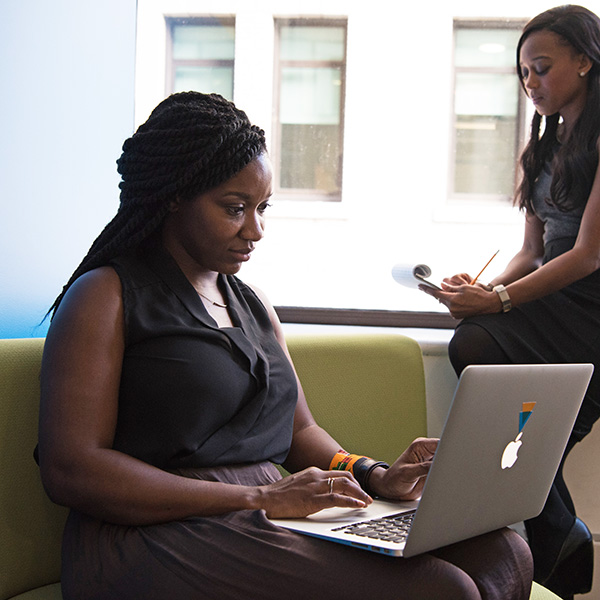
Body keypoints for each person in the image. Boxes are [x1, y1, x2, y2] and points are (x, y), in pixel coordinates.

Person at [37, 91, 532, 600]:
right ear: (173, 196)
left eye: (262, 207)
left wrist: (373, 474)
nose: (256, 230)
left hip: (264, 509)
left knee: (503, 554)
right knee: (442, 590)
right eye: (234, 208)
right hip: (153, 531)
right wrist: (258, 496)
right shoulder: (105, 295)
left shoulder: (252, 304)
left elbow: (301, 431)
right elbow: (73, 468)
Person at [420, 5, 600, 599]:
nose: (531, 83)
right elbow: (532, 249)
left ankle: (556, 542)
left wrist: (496, 302)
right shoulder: (544, 148)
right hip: (552, 305)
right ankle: (561, 544)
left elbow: (584, 257)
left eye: (542, 68)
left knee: (481, 349)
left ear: (584, 60)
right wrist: (482, 285)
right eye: (523, 73)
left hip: (590, 312)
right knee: (481, 355)